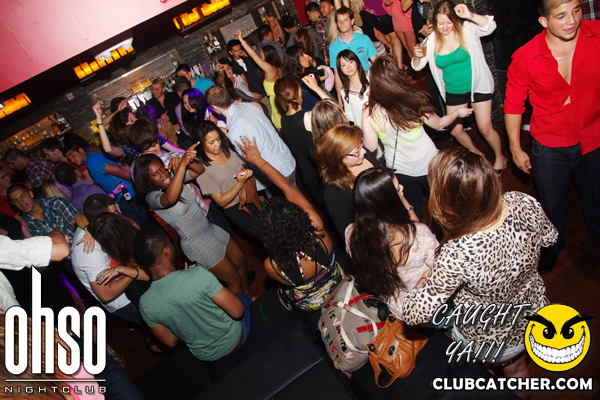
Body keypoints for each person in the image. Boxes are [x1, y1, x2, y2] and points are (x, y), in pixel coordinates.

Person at [403, 148, 558, 396]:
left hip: (487, 333)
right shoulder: (523, 201)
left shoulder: (458, 251)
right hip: (531, 315)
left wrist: (423, 280)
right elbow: (551, 238)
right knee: (518, 371)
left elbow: (414, 314)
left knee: (482, 371)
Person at [504, 0, 600, 274]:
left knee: (596, 194)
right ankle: (553, 247)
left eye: (576, 10)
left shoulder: (596, 34)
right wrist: (515, 148)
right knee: (551, 203)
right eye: (561, 16)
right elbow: (513, 105)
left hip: (593, 135)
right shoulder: (526, 56)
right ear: (544, 21)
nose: (572, 20)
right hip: (550, 144)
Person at [237, 136, 346, 314]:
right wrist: (257, 159)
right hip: (339, 284)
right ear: (297, 216)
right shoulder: (317, 227)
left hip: (313, 304)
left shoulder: (272, 265)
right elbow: (287, 186)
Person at [363, 56, 472, 220]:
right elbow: (439, 124)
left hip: (400, 170)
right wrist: (457, 113)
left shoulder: (369, 112)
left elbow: (371, 147)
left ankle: (422, 235)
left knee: (414, 210)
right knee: (444, 207)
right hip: (428, 164)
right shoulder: (413, 100)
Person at [132, 150, 248, 294]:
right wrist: (181, 167)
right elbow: (170, 198)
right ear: (147, 180)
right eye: (155, 174)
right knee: (233, 279)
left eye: (162, 168)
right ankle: (244, 307)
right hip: (197, 244)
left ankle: (248, 298)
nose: (163, 174)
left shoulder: (174, 177)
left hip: (210, 228)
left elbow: (199, 170)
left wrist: (187, 160)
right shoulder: (152, 197)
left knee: (240, 261)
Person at [411, 1, 506, 173]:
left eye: (449, 22)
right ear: (434, 22)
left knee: (485, 129)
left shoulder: (466, 29)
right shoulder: (431, 40)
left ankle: (500, 157)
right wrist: (417, 57)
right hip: (453, 90)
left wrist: (469, 15)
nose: (445, 27)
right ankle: (476, 154)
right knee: (455, 131)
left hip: (478, 85)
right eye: (440, 23)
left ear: (455, 20)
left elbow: (490, 27)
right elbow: (417, 66)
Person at [134, 225, 252, 361]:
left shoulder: (145, 303)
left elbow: (170, 341)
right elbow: (237, 311)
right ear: (166, 252)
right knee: (244, 297)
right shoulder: (197, 275)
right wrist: (194, 278)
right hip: (235, 339)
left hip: (205, 356)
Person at [347, 166, 435, 320]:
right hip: (423, 305)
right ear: (387, 200)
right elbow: (441, 269)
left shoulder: (351, 234)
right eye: (397, 188)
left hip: (395, 304)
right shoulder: (417, 235)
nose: (402, 187)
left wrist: (400, 198)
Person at [205, 85, 296, 193]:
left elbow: (250, 159)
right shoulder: (247, 106)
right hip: (286, 158)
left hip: (276, 174)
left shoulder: (235, 129)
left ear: (214, 107)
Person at [189, 120, 258, 238]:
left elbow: (242, 165)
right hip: (237, 209)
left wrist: (246, 171)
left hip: (250, 196)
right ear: (201, 144)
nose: (217, 144)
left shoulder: (225, 149)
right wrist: (239, 183)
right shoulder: (202, 169)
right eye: (211, 142)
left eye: (218, 139)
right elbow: (221, 201)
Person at [316, 124, 382, 238]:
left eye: (361, 145)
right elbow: (349, 235)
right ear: (338, 157)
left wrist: (409, 210)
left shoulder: (364, 157)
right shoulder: (333, 193)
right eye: (357, 152)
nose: (364, 151)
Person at [64, 143, 153, 227]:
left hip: (128, 197)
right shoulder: (91, 159)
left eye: (73, 155)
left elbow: (119, 171)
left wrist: (134, 182)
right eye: (69, 158)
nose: (72, 160)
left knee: (144, 226)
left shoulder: (92, 162)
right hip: (126, 196)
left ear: (81, 150)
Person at [275, 76, 326, 207]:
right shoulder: (308, 117)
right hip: (321, 167)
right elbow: (335, 112)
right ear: (299, 91)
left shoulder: (283, 120)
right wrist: (316, 88)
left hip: (306, 170)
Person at [329, 7, 378, 107]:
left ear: (352, 21)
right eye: (339, 21)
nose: (342, 23)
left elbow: (377, 63)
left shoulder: (364, 39)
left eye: (345, 20)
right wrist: (339, 99)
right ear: (336, 24)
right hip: (349, 87)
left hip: (368, 82)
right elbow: (337, 75)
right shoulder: (333, 47)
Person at [236, 30, 284, 129]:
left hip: (276, 105)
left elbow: (253, 55)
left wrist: (241, 40)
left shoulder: (269, 69)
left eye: (261, 56)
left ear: (267, 57)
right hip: (281, 101)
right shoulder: (277, 67)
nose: (259, 57)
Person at [283, 45, 331, 111]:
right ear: (294, 60)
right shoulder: (294, 81)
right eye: (302, 55)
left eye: (305, 53)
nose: (307, 56)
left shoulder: (305, 72)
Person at [336, 49, 369, 128]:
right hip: (362, 130)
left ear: (356, 62)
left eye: (351, 62)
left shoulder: (370, 78)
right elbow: (349, 114)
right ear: (340, 69)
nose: (348, 67)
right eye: (344, 65)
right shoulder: (344, 91)